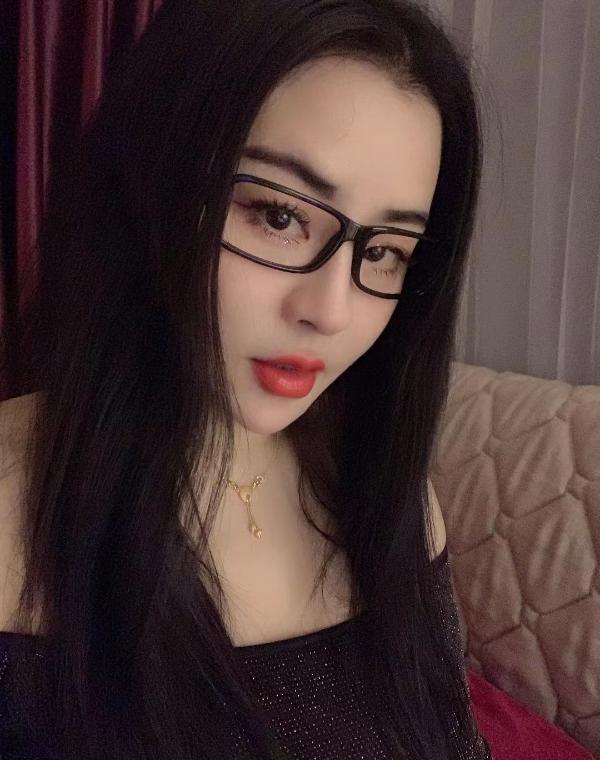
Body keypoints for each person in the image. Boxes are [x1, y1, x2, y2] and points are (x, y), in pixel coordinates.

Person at [0, 0, 491, 758]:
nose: (330, 311)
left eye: (386, 252)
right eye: (278, 215)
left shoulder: (390, 502)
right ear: (149, 182)